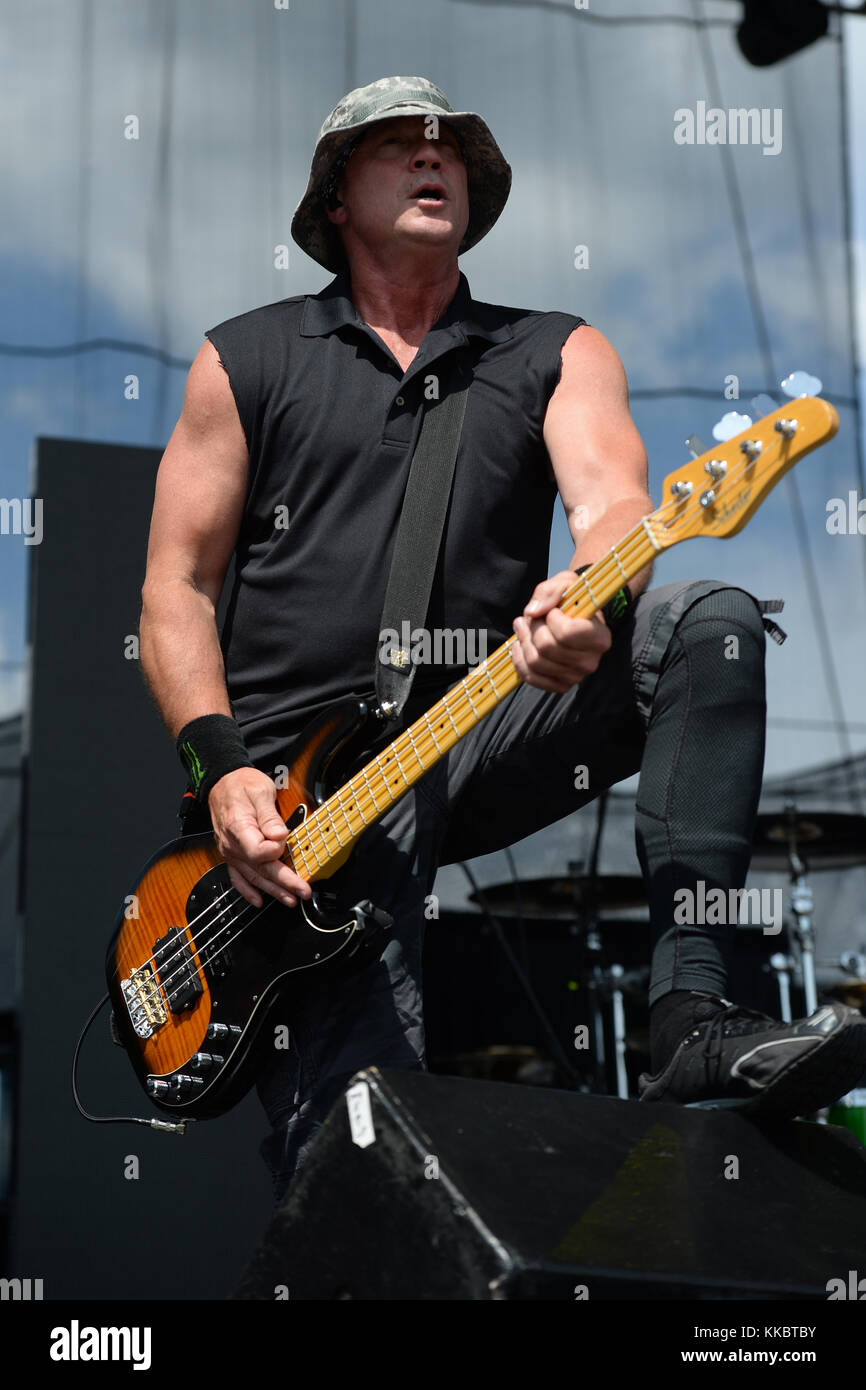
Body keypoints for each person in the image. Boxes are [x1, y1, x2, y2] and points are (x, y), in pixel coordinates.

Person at [139, 75, 866, 1203]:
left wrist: (584, 595)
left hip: (477, 719)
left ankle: (686, 1012)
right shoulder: (243, 359)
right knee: (352, 1165)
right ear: (337, 193)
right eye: (401, 147)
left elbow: (617, 506)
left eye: (453, 151)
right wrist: (221, 765)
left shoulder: (552, 349)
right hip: (296, 803)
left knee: (705, 623)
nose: (435, 161)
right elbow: (174, 589)